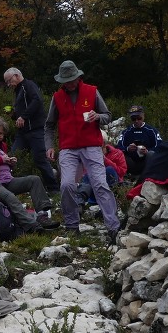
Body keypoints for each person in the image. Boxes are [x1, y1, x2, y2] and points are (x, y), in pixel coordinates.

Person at [44, 60, 120, 242]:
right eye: (65, 80)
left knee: (100, 184)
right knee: (66, 185)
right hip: (68, 148)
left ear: (78, 77)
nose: (69, 83)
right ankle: (72, 225)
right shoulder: (57, 97)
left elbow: (108, 116)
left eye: (71, 79)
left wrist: (97, 117)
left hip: (91, 146)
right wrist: (49, 146)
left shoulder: (92, 91)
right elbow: (49, 125)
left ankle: (113, 226)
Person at [0, 116, 58, 233]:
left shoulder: (1, 145)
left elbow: (1, 165)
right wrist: (0, 160)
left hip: (7, 180)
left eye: (3, 134)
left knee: (34, 180)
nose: (1, 137)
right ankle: (32, 227)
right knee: (11, 197)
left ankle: (42, 216)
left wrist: (10, 163)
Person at [4, 67, 58, 192]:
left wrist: (23, 116)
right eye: (6, 82)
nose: (8, 84)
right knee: (13, 156)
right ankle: (11, 185)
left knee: (40, 159)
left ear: (17, 75)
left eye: (9, 80)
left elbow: (37, 100)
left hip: (36, 130)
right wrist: (14, 114)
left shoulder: (28, 85)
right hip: (22, 132)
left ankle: (54, 188)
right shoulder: (18, 90)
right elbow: (23, 111)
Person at [117, 104, 162, 177]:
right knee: (120, 154)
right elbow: (118, 147)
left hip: (146, 162)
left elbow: (160, 146)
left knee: (151, 154)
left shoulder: (151, 131)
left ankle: (148, 175)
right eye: (133, 119)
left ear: (143, 116)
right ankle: (128, 175)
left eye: (139, 118)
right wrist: (128, 149)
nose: (136, 121)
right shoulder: (126, 132)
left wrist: (147, 151)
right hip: (131, 162)